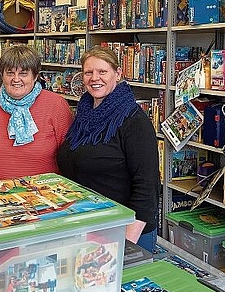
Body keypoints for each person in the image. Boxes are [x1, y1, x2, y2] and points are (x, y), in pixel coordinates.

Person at [57, 46, 160, 252]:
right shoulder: (85, 113)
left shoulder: (133, 121)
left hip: (125, 232)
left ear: (118, 74)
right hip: (90, 225)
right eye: (89, 72)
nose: (95, 78)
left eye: (102, 72)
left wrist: (127, 246)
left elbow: (148, 187)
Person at [0, 45, 74, 182]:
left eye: (23, 73)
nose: (16, 79)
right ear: (2, 75)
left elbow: (69, 151)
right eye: (10, 73)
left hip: (45, 192)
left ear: (35, 76)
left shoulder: (56, 105)